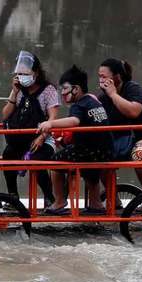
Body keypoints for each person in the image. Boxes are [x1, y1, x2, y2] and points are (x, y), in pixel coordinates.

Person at [37, 65, 113, 216]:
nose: (63, 93)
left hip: (88, 150)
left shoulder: (79, 105)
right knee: (90, 170)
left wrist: (50, 124)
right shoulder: (93, 101)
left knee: (55, 163)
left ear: (76, 89)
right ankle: (96, 204)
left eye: (65, 89)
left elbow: (75, 121)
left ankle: (59, 202)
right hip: (105, 150)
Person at [98, 59, 142, 193]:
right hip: (122, 142)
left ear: (117, 77)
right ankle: (113, 202)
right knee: (97, 158)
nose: (100, 80)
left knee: (139, 155)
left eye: (104, 77)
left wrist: (113, 95)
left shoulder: (133, 89)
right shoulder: (102, 98)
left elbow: (133, 112)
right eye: (99, 76)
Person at [0, 51, 59, 207]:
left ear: (36, 72)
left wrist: (41, 137)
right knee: (7, 155)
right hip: (21, 140)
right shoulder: (19, 91)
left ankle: (49, 198)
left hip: (43, 140)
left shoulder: (49, 90)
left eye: (26, 73)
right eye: (19, 73)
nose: (22, 76)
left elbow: (53, 119)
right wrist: (14, 91)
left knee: (35, 160)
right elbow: (5, 115)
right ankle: (13, 197)